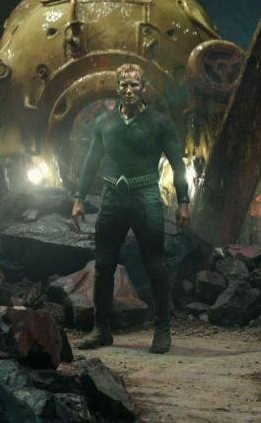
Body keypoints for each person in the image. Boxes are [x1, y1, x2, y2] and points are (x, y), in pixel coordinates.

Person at [71, 63, 190, 354]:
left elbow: (177, 164)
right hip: (112, 197)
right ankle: (101, 330)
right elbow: (91, 161)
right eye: (123, 85)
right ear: (117, 88)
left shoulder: (160, 123)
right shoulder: (104, 123)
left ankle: (162, 330)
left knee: (155, 265)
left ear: (144, 88)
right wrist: (79, 197)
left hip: (145, 196)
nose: (129, 90)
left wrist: (184, 202)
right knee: (104, 265)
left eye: (134, 85)